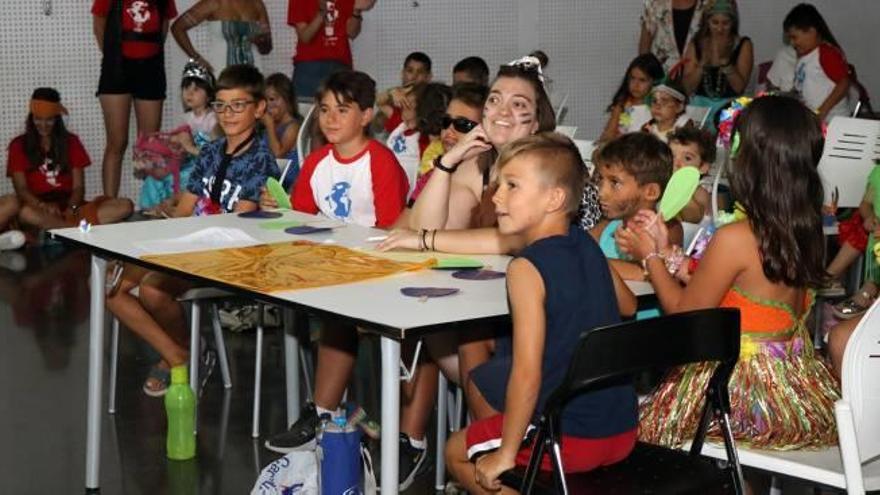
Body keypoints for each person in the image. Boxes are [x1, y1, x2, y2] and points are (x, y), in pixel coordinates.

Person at [617, 95, 839, 450]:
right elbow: (746, 293)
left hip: (739, 390)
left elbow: (683, 317)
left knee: (649, 435)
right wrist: (671, 254)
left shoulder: (735, 237)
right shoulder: (805, 227)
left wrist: (650, 259)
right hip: (789, 384)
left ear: (746, 160)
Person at [445, 133, 638, 493]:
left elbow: (527, 374)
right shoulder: (585, 242)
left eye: (512, 186)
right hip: (622, 429)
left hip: (570, 437)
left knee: (456, 452)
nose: (496, 196)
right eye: (499, 184)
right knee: (491, 380)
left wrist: (506, 452)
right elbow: (628, 306)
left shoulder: (526, 269)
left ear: (555, 198)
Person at [105, 65, 278, 396]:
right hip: (193, 244)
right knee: (112, 287)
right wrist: (150, 243)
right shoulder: (211, 151)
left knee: (153, 290)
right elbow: (186, 210)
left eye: (238, 105)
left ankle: (178, 357)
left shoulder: (261, 160)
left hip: (229, 254)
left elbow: (237, 225)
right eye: (221, 105)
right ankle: (179, 355)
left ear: (258, 109)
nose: (227, 114)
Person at [263, 70, 409, 454]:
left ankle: (323, 411)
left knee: (339, 314)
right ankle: (332, 409)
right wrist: (279, 211)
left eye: (341, 110)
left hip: (376, 266)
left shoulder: (380, 162)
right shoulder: (315, 162)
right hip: (330, 266)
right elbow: (301, 222)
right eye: (324, 109)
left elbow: (392, 229)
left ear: (365, 116)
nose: (329, 118)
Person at [8, 88, 133, 231]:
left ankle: (62, 229)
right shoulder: (18, 145)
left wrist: (70, 207)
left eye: (49, 120)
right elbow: (22, 190)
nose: (43, 125)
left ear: (57, 119)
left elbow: (79, 188)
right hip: (39, 208)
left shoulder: (71, 141)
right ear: (31, 118)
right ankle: (73, 231)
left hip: (71, 208)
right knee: (25, 213)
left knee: (124, 205)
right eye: (38, 119)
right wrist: (43, 206)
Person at [92, 0, 178, 198]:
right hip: (116, 69)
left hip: (151, 69)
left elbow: (163, 27)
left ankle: (152, 203)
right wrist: (113, 56)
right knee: (116, 142)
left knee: (150, 144)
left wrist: (147, 56)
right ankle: (110, 203)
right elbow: (99, 24)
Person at [140, 60, 219, 214]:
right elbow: (179, 149)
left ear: (209, 95)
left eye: (196, 89)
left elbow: (215, 154)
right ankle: (156, 209)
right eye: (186, 88)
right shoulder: (185, 118)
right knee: (155, 177)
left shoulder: (213, 119)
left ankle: (178, 208)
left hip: (204, 168)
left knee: (185, 179)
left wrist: (189, 147)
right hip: (186, 164)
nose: (189, 93)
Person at [287, 0, 374, 98]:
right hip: (309, 66)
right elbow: (305, 37)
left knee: (342, 110)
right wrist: (321, 13)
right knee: (307, 110)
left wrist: (357, 11)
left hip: (340, 64)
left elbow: (351, 33)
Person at [828, 161, 880, 319]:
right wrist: (869, 217)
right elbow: (865, 205)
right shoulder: (878, 173)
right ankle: (870, 288)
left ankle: (870, 290)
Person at [784, 3, 851, 122]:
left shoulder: (826, 53)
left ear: (812, 31)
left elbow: (844, 83)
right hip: (815, 120)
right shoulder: (805, 57)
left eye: (794, 37)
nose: (792, 43)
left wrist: (822, 111)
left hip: (832, 121)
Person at [171, 0, 272, 75]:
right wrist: (197, 58)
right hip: (221, 74)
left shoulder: (257, 4)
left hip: (253, 76)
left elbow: (267, 49)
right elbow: (177, 28)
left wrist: (261, 41)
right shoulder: (213, 3)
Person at [682, 0, 753, 104]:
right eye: (715, 23)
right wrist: (702, 65)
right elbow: (687, 88)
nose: (720, 29)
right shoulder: (696, 43)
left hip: (730, 107)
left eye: (725, 23)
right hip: (699, 107)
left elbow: (739, 88)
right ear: (707, 22)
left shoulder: (743, 44)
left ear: (733, 23)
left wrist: (726, 62)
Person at [598, 53, 664, 144]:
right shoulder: (621, 105)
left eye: (642, 80)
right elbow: (608, 135)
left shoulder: (659, 108)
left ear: (655, 82)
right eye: (632, 78)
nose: (636, 85)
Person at [639, 0, 707, 72]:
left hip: (696, 74)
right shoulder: (655, 4)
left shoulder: (707, 5)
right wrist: (646, 73)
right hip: (662, 75)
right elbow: (644, 48)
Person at [377, 52, 434, 133]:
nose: (414, 76)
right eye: (410, 71)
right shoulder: (395, 107)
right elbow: (379, 101)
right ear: (402, 73)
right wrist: (391, 92)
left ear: (428, 76)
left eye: (420, 72)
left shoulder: (434, 104)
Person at [668, 125, 715, 223]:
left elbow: (694, 219)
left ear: (703, 167)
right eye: (671, 156)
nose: (676, 163)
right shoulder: (661, 184)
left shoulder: (699, 192)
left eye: (687, 158)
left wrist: (681, 191)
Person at [261, 73, 302, 182]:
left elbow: (278, 155)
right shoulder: (270, 124)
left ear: (286, 99)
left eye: (272, 99)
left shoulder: (293, 126)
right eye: (265, 101)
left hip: (284, 182)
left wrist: (270, 126)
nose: (268, 105)